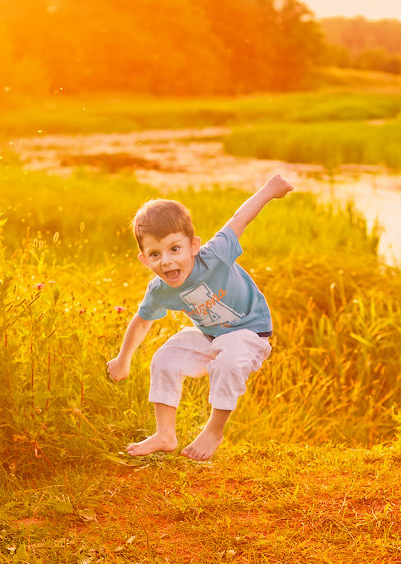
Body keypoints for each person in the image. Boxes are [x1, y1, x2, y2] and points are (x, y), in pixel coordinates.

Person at [106, 175, 294, 460]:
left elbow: (240, 217)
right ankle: (165, 434)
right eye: (155, 254)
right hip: (211, 335)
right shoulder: (159, 290)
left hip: (250, 332)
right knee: (164, 358)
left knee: (227, 361)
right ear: (144, 259)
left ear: (194, 246)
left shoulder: (215, 254)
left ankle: (214, 431)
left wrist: (270, 190)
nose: (166, 260)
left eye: (175, 249)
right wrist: (123, 359)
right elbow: (142, 320)